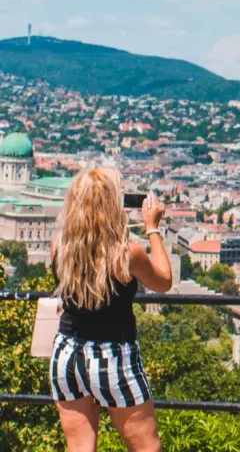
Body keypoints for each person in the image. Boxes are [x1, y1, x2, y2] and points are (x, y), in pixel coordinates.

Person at [50, 168, 172, 452]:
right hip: (113, 355)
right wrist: (152, 228)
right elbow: (164, 281)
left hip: (67, 353)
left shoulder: (59, 246)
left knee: (80, 446)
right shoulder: (126, 255)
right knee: (146, 447)